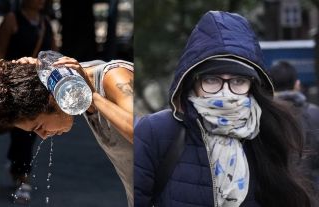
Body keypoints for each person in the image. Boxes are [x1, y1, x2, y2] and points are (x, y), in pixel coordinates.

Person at [134, 11, 314, 207]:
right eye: (212, 80)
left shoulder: (269, 132)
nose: (226, 93)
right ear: (191, 82)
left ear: (252, 86)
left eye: (238, 81)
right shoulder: (156, 132)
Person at [0, 56, 134, 206]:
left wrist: (90, 95)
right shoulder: (70, 83)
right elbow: (53, 71)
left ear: (52, 100)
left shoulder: (114, 78)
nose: (43, 135)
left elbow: (144, 133)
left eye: (39, 126)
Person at [0, 0, 58, 203]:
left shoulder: (45, 23)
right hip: (16, 86)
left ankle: (18, 168)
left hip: (39, 88)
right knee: (22, 132)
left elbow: (53, 55)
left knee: (29, 133)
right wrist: (0, 81)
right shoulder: (12, 20)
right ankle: (22, 177)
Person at [269, 61, 319, 193]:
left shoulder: (262, 114)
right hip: (309, 194)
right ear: (297, 84)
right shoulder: (314, 113)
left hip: (272, 194)